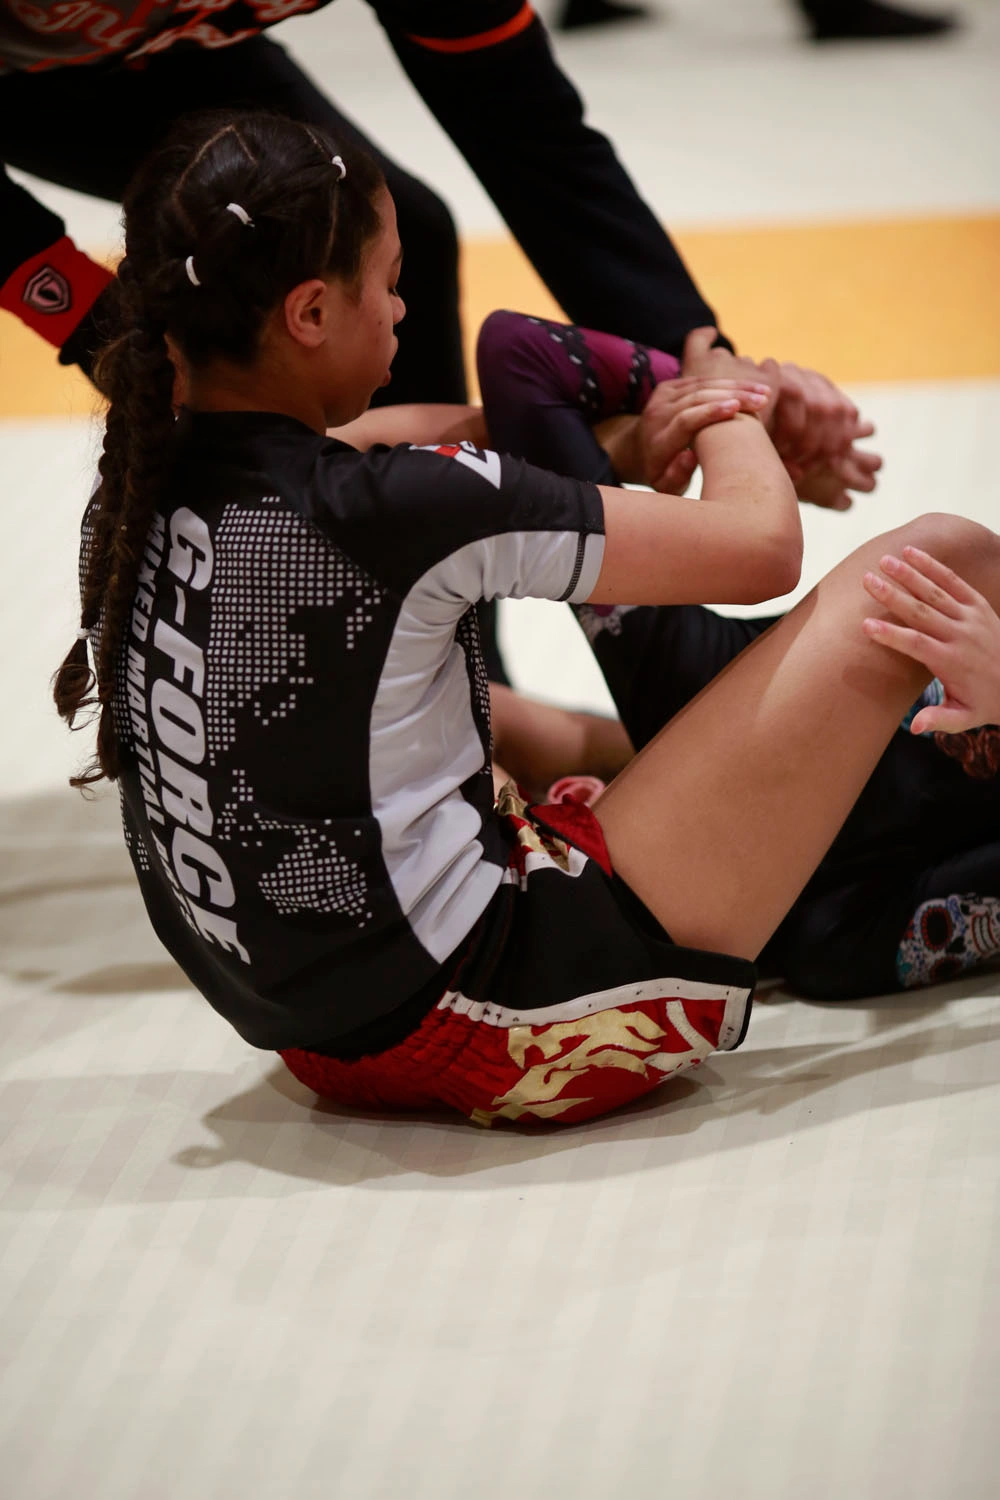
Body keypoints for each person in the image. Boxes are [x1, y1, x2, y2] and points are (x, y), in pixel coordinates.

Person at [54, 110, 1000, 1129]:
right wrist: (726, 392)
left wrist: (647, 430)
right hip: (521, 1026)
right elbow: (761, 545)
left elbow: (490, 432)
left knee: (465, 713)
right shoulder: (394, 506)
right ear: (311, 312)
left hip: (324, 1041)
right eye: (389, 282)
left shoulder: (142, 483)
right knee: (935, 559)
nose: (403, 308)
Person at [475, 308, 1000, 1000]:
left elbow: (520, 359)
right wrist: (724, 409)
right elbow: (519, 358)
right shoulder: (824, 939)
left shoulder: (681, 687)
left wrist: (715, 409)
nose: (566, 797)